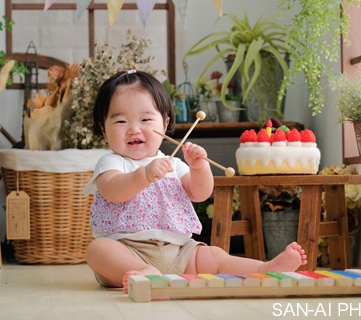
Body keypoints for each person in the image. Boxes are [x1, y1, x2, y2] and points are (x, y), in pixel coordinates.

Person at [83, 70, 307, 293]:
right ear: (104, 129)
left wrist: (199, 167)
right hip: (128, 250)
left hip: (180, 252)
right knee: (98, 249)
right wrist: (144, 175)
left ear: (165, 123)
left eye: (145, 119)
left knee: (213, 256)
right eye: (121, 121)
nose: (134, 129)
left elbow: (201, 193)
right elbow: (114, 191)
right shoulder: (111, 162)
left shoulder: (174, 165)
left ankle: (265, 268)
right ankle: (145, 274)